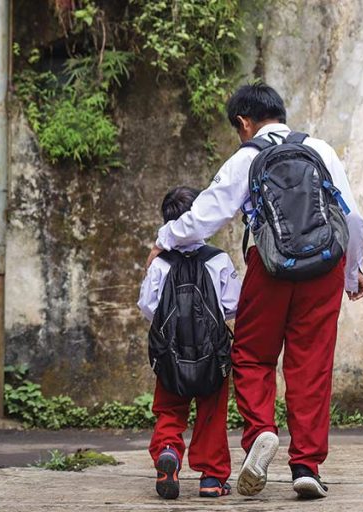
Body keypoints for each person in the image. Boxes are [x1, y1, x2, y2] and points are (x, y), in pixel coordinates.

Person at [145, 84, 363, 500]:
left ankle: (261, 432)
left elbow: (204, 216)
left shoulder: (247, 157)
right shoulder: (321, 150)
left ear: (244, 122)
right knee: (311, 365)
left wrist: (165, 238)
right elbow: (353, 219)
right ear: (281, 114)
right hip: (324, 268)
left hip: (269, 267)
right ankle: (306, 465)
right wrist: (352, 273)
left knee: (251, 356)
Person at [138, 186, 241, 500]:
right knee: (211, 413)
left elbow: (147, 307)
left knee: (169, 410)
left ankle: (168, 451)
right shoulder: (218, 259)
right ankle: (211, 478)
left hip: (170, 354)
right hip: (212, 354)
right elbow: (234, 304)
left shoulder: (160, 263)